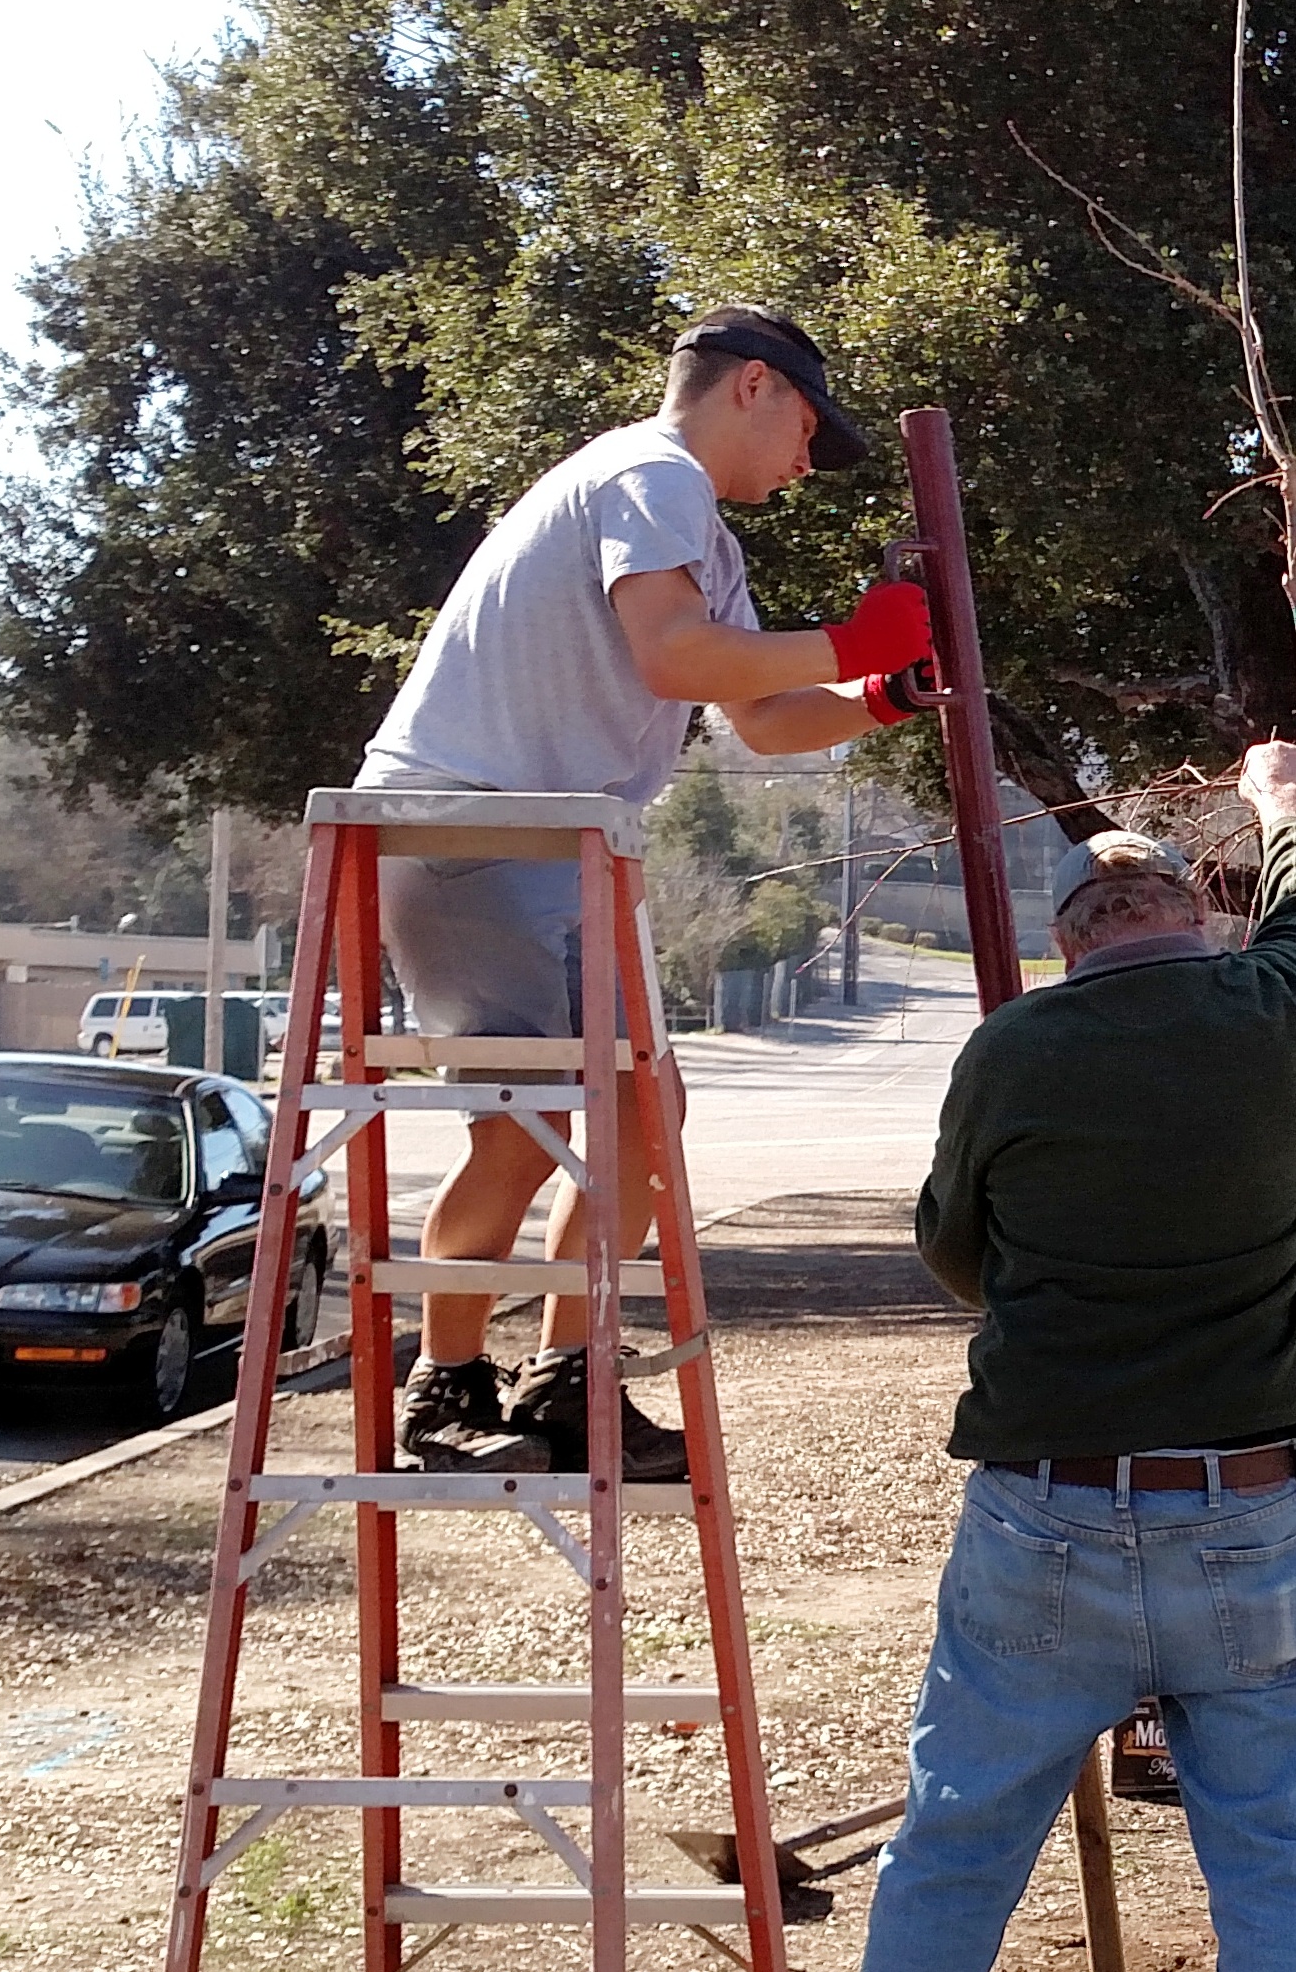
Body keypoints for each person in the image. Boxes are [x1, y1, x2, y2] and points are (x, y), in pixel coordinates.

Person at [801, 739, 1296, 1972]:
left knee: (948, 1851)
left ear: (1074, 933)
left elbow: (955, 1251)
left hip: (1042, 1513)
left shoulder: (1011, 1051)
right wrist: (1285, 799)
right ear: (1188, 919)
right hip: (1246, 1514)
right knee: (1272, 1874)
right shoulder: (1271, 1015)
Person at [349, 309, 940, 1477]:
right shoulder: (649, 472)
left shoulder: (695, 529)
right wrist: (847, 638)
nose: (807, 461)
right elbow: (676, 658)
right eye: (808, 428)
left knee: (640, 1129)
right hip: (471, 821)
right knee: (527, 1134)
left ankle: (567, 1383)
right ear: (753, 386)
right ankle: (445, 1385)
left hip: (554, 840)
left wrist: (886, 690)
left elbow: (760, 719)